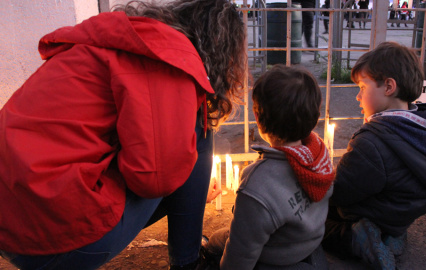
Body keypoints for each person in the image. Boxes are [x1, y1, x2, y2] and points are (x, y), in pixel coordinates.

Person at [0, 0, 247, 269]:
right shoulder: (167, 61)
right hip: (54, 241)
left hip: (10, 225)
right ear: (221, 50)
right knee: (198, 129)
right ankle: (187, 262)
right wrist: (188, 187)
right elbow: (153, 180)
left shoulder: (105, 45)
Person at [321, 41, 426, 270]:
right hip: (405, 210)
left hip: (378, 210)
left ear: (389, 87)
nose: (357, 97)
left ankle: (357, 240)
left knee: (314, 222)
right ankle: (392, 235)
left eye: (363, 87)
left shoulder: (372, 141)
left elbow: (340, 191)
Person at [201, 65, 335, 270]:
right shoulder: (319, 156)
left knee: (216, 242)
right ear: (315, 115)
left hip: (276, 257)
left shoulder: (258, 183)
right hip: (307, 242)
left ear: (258, 117)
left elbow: (240, 256)